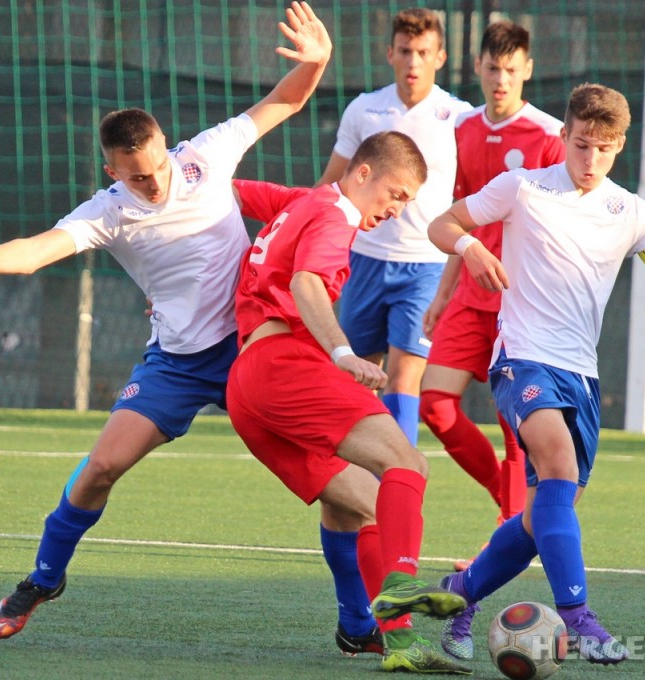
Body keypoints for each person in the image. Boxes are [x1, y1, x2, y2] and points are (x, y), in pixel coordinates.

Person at [0, 1, 333, 642]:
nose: (152, 185)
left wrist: (318, 61)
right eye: (134, 178)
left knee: (333, 481)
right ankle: (43, 579)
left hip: (255, 348)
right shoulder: (107, 211)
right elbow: (38, 253)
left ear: (168, 143)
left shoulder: (209, 155)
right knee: (100, 469)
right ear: (111, 171)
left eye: (156, 168)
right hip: (177, 362)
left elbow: (284, 102)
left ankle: (359, 622)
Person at [427, 82, 645, 664]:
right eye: (581, 144)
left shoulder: (630, 212)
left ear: (619, 148)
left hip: (581, 378)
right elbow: (441, 224)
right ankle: (581, 619)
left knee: (541, 519)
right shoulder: (523, 188)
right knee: (555, 465)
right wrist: (470, 247)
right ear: (563, 136)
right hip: (522, 360)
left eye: (603, 149)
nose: (590, 160)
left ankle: (457, 596)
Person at [227, 130, 470, 675]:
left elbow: (226, 190)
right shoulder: (335, 215)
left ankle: (387, 639)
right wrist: (342, 352)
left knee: (358, 505)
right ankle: (403, 593)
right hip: (284, 366)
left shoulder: (300, 201)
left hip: (246, 389)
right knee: (409, 463)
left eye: (408, 202)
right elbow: (308, 280)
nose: (397, 209)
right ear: (362, 173)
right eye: (396, 193)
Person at [417, 20, 565, 583]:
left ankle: (507, 531)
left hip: (520, 304)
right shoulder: (465, 129)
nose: (500, 78)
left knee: (515, 429)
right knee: (436, 404)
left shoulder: (550, 136)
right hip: (470, 297)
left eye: (511, 69)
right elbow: (463, 212)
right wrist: (444, 290)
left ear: (526, 70)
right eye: (491, 68)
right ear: (476, 68)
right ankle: (505, 504)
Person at [316, 8, 472, 446]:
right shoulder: (365, 109)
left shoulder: (459, 117)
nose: (413, 62)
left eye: (423, 52)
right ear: (389, 53)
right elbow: (332, 184)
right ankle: (359, 477)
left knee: (404, 379)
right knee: (357, 376)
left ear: (440, 57)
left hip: (425, 266)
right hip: (363, 260)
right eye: (405, 51)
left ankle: (397, 482)